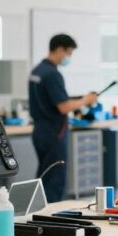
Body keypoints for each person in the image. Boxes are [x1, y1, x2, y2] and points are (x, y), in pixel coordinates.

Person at [28, 34, 98, 203]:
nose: (69, 57)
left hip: (39, 131)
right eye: (69, 53)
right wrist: (86, 100)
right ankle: (51, 218)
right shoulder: (52, 74)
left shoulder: (36, 71)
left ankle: (37, 213)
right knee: (55, 179)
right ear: (59, 50)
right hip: (54, 133)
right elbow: (63, 106)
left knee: (44, 175)